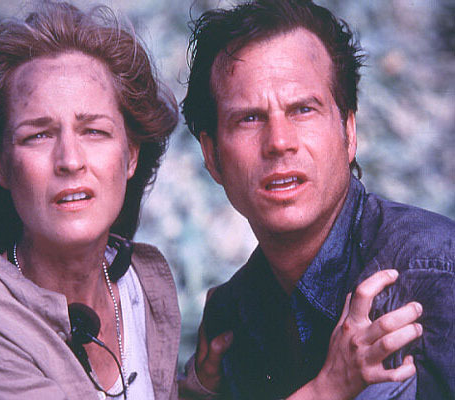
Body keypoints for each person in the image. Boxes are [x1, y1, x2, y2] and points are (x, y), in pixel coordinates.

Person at [181, 0, 455, 399]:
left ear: (349, 132)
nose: (279, 142)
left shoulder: (430, 274)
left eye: (303, 110)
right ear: (211, 156)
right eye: (249, 118)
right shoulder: (231, 313)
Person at [0, 3, 180, 399]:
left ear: (131, 155)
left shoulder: (140, 285)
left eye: (94, 131)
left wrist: (201, 386)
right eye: (38, 135)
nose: (69, 160)